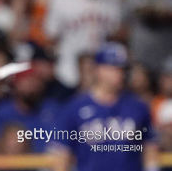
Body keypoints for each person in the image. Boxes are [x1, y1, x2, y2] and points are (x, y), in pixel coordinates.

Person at [51, 43, 158, 171]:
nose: (120, 74)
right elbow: (62, 154)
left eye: (123, 69)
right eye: (114, 68)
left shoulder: (138, 107)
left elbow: (150, 146)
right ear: (99, 69)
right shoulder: (74, 108)